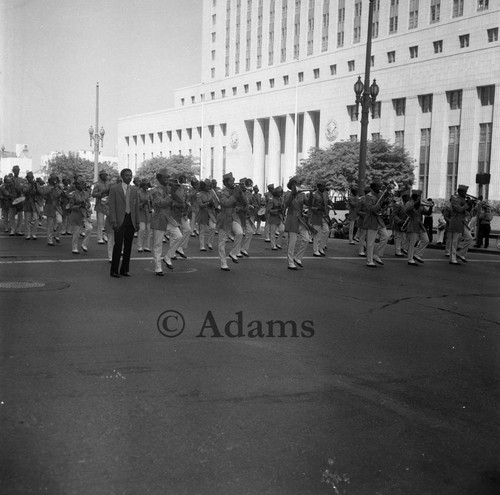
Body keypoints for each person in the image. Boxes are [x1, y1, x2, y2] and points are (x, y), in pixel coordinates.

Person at [108, 168, 140, 277]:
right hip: (119, 220)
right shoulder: (114, 189)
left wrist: (137, 222)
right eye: (127, 175)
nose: (129, 177)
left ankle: (125, 269)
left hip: (130, 219)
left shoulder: (134, 190)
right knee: (118, 245)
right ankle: (114, 270)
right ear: (122, 176)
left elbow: (136, 207)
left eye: (130, 175)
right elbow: (111, 206)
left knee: (128, 245)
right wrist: (114, 221)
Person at [216, 172, 242, 271]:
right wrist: (235, 196)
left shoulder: (234, 191)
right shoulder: (223, 192)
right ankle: (223, 263)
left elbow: (244, 203)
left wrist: (241, 193)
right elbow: (226, 203)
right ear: (226, 183)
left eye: (233, 180)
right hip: (224, 217)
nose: (233, 182)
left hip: (233, 217)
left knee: (239, 233)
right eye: (231, 181)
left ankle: (233, 253)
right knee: (222, 241)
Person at [284, 177, 310, 270]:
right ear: (292, 185)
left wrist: (311, 193)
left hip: (300, 219)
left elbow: (309, 203)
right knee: (292, 242)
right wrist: (293, 194)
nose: (298, 185)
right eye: (296, 184)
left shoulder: (302, 194)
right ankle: (290, 262)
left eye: (298, 183)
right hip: (291, 219)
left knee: (306, 238)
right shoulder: (287, 194)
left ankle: (298, 257)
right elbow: (286, 203)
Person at [150, 168, 173, 276]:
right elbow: (160, 203)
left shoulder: (169, 188)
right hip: (159, 218)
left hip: (169, 218)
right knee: (158, 244)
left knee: (179, 236)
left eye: (167, 177)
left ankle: (168, 256)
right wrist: (171, 196)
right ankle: (158, 267)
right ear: (159, 178)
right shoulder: (155, 191)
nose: (166, 179)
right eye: (164, 177)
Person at [363, 180, 390, 267]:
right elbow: (370, 208)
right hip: (371, 220)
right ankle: (369, 261)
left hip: (379, 220)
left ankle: (376, 255)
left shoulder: (380, 194)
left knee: (385, 237)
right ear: (373, 187)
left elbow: (382, 204)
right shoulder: (368, 196)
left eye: (380, 186)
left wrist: (386, 201)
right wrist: (381, 204)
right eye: (378, 187)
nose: (380, 188)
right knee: (370, 242)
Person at [448, 184, 473, 265]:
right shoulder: (454, 198)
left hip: (462, 221)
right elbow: (459, 209)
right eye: (465, 192)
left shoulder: (463, 199)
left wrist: (471, 204)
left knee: (469, 238)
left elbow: (467, 210)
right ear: (460, 191)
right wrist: (467, 205)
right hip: (456, 220)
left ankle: (461, 253)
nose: (466, 193)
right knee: (454, 241)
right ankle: (452, 259)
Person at [404, 189, 430, 266]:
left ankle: (417, 254)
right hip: (412, 224)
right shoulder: (409, 203)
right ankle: (410, 259)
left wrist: (431, 207)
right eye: (419, 196)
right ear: (415, 196)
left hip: (420, 225)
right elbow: (406, 210)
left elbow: (427, 213)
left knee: (426, 240)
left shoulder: (421, 204)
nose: (420, 198)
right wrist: (415, 205)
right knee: (412, 242)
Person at [68, 177, 93, 254]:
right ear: (77, 185)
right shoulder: (73, 194)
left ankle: (84, 244)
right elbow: (70, 206)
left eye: (83, 184)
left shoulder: (86, 193)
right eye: (81, 184)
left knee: (90, 228)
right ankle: (74, 248)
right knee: (76, 231)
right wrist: (79, 206)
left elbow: (88, 204)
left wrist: (86, 205)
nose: (83, 186)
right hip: (77, 214)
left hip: (85, 213)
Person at [309, 179, 330, 257]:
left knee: (327, 231)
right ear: (318, 187)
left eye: (324, 186)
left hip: (324, 215)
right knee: (317, 233)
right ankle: (315, 250)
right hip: (316, 215)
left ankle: (321, 247)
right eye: (323, 186)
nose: (324, 188)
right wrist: (317, 209)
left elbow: (325, 204)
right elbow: (310, 206)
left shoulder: (325, 194)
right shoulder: (313, 194)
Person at [42, 173, 63, 246]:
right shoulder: (47, 187)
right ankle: (50, 240)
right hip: (50, 206)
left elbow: (59, 194)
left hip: (57, 206)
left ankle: (57, 235)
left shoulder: (59, 187)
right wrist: (51, 188)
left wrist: (58, 188)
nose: (55, 181)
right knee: (50, 225)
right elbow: (44, 194)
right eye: (53, 179)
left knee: (60, 221)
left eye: (56, 179)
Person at [91, 170, 111, 244]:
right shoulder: (97, 184)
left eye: (106, 175)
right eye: (104, 175)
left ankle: (105, 234)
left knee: (108, 222)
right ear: (100, 176)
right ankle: (99, 237)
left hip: (108, 204)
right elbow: (93, 194)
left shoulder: (109, 183)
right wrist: (101, 193)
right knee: (100, 222)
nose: (105, 176)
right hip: (100, 204)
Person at [22, 171, 43, 240]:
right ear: (27, 178)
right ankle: (28, 234)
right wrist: (31, 186)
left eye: (31, 177)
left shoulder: (36, 184)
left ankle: (34, 234)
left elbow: (40, 192)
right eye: (29, 177)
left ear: (33, 177)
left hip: (34, 203)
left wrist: (36, 186)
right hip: (27, 203)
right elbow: (25, 191)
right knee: (27, 220)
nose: (30, 179)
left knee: (36, 219)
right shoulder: (25, 184)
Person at [196, 179, 216, 251]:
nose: (208, 188)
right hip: (203, 213)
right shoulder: (199, 194)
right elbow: (200, 205)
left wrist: (213, 204)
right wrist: (207, 203)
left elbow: (215, 202)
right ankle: (202, 246)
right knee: (202, 230)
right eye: (207, 186)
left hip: (210, 213)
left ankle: (209, 242)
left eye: (209, 186)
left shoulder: (211, 193)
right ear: (203, 187)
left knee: (213, 227)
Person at [266, 186, 284, 250]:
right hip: (273, 217)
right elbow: (269, 210)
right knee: (273, 232)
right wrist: (276, 211)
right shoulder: (271, 200)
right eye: (279, 192)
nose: (280, 194)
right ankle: (273, 245)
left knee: (282, 230)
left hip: (279, 217)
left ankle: (278, 243)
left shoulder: (281, 199)